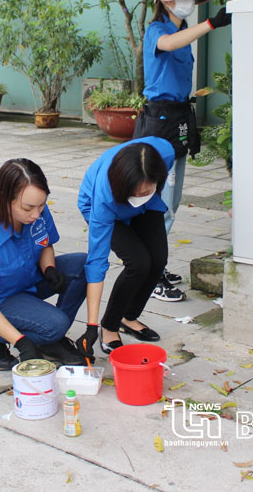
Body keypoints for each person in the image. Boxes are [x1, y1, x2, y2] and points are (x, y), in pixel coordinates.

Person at [135, 0, 231, 302]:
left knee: (171, 201)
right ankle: (149, 272)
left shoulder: (185, 29)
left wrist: (202, 27)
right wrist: (211, 25)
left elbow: (182, 40)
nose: (189, 2)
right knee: (159, 201)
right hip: (159, 120)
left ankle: (154, 263)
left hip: (177, 117)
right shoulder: (156, 31)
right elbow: (168, 44)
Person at [0, 159, 88, 370]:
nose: (36, 214)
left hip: (28, 280)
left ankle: (50, 338)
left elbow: (45, 243)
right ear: (4, 198)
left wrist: (49, 269)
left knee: (83, 265)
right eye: (28, 208)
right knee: (57, 324)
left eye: (42, 205)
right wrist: (21, 342)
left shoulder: (36, 214)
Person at [74, 137, 175, 357]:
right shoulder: (103, 200)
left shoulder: (165, 153)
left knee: (157, 260)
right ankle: (109, 325)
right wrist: (91, 325)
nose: (141, 195)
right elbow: (97, 262)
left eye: (146, 190)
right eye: (138, 193)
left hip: (147, 207)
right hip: (112, 203)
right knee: (138, 263)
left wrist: (145, 195)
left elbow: (149, 188)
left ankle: (128, 318)